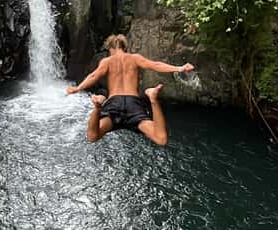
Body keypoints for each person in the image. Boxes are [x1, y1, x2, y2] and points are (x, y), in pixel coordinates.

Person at [66, 33, 194, 146]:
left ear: (110, 48)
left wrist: (78, 88)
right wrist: (179, 68)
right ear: (125, 48)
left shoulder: (107, 61)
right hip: (133, 103)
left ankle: (98, 107)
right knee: (161, 139)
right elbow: (156, 65)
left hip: (114, 102)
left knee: (92, 136)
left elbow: (94, 75)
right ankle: (153, 99)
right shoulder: (135, 58)